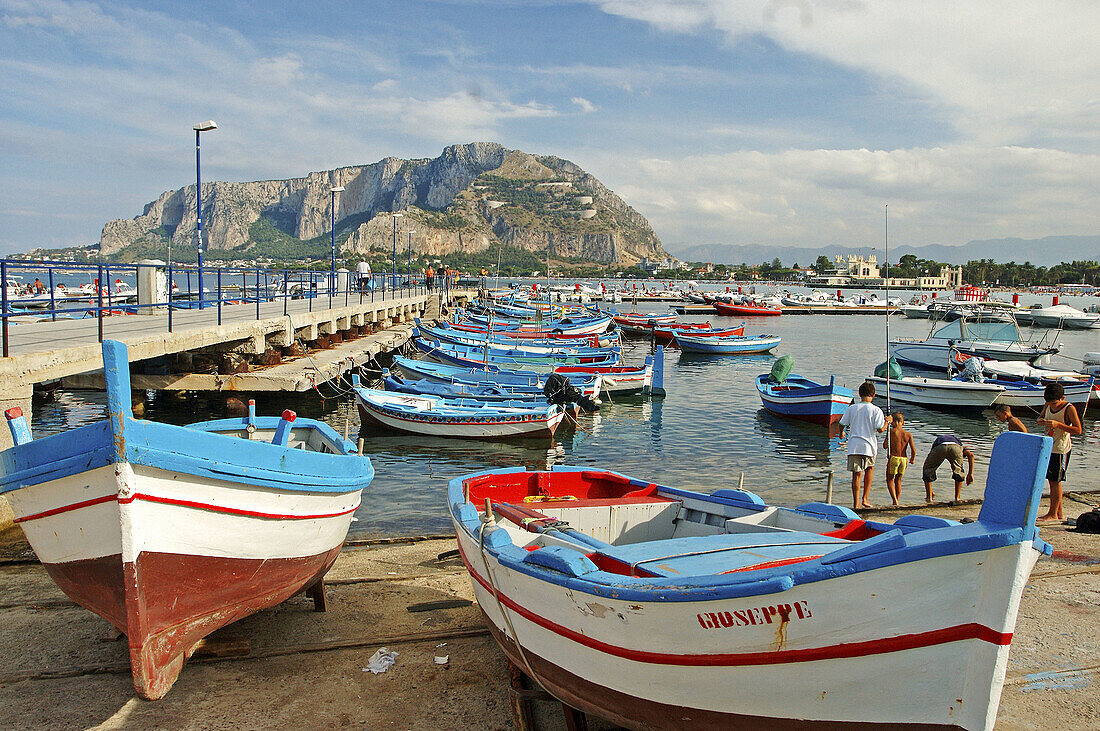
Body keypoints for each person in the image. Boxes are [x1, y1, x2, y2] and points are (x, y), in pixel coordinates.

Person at [1036, 382, 1082, 522]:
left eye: (1055, 403)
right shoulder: (1048, 405)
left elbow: (1078, 430)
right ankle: (1059, 512)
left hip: (1061, 448)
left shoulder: (1069, 409)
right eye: (1049, 403)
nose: (1052, 406)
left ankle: (1053, 513)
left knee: (1055, 481)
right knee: (1051, 480)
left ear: (1063, 397)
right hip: (1049, 446)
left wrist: (1058, 425)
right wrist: (1042, 421)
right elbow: (1040, 418)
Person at [839, 381, 887, 509]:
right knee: (869, 470)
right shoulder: (876, 410)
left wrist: (841, 433)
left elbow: (842, 423)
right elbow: (880, 429)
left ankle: (856, 503)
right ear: (874, 394)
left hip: (854, 445)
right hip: (869, 446)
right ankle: (865, 498)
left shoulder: (852, 408)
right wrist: (887, 422)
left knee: (856, 474)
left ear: (859, 394)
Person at [922, 434, 974, 503]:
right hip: (955, 448)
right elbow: (971, 455)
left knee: (928, 469)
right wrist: (970, 474)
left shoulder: (939, 440)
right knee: (958, 471)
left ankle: (929, 498)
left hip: (940, 445)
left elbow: (931, 463)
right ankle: (957, 498)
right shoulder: (960, 446)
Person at [882, 412, 916, 506]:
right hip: (904, 459)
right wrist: (912, 459)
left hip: (894, 458)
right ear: (903, 422)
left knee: (889, 480)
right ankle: (897, 499)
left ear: (893, 422)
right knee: (898, 480)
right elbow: (913, 450)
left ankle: (894, 501)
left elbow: (885, 446)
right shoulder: (908, 434)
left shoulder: (891, 432)